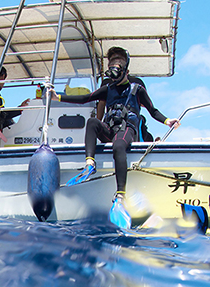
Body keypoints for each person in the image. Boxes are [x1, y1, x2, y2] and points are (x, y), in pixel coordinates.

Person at [52, 46, 180, 226]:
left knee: (118, 146)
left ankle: (120, 196)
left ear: (126, 72)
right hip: (111, 129)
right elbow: (85, 98)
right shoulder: (108, 88)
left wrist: (168, 121)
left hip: (127, 130)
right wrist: (58, 97)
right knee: (92, 123)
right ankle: (90, 163)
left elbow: (153, 110)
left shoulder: (137, 89)